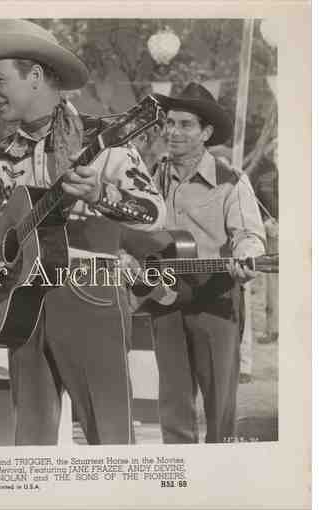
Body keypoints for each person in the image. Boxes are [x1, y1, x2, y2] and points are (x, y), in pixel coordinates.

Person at [0, 20, 166, 445]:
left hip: (89, 294)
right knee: (30, 439)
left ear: (34, 76)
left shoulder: (103, 140)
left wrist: (102, 194)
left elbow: (153, 213)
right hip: (20, 303)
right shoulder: (4, 153)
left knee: (109, 434)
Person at [148, 82, 266, 443]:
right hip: (164, 301)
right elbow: (138, 230)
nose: (173, 132)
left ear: (206, 133)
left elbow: (249, 235)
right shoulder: (154, 176)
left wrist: (246, 255)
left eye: (185, 125)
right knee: (173, 406)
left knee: (219, 411)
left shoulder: (232, 180)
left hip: (215, 302)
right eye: (169, 123)